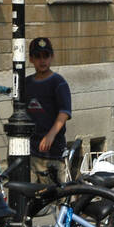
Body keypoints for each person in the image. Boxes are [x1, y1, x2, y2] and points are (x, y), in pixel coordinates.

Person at [23, 36, 72, 184]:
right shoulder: (26, 83)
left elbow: (64, 112)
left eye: (46, 56)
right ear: (31, 59)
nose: (42, 61)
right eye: (38, 57)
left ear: (52, 57)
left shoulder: (58, 83)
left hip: (53, 152)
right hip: (31, 151)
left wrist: (50, 135)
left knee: (57, 196)